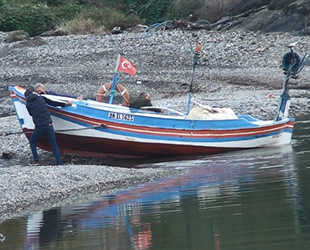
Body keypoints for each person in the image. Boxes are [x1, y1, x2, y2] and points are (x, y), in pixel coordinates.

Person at [24, 88, 73, 166]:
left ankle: (36, 160)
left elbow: (31, 114)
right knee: (53, 143)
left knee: (32, 140)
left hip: (39, 126)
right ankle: (58, 162)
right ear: (33, 93)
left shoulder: (28, 104)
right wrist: (66, 104)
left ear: (26, 97)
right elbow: (53, 103)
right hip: (48, 124)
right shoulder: (41, 98)